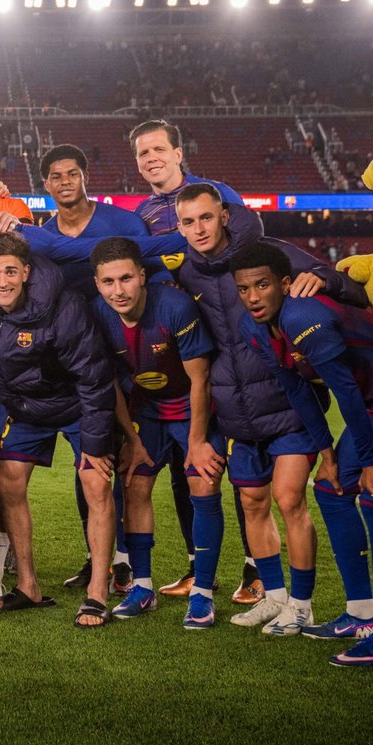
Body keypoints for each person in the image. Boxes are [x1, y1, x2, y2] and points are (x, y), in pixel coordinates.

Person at [229, 242, 373, 665]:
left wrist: (369, 462)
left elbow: (346, 390)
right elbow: (298, 390)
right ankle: (360, 613)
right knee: (331, 491)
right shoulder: (254, 327)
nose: (254, 297)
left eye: (262, 285)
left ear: (284, 283)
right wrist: (327, 454)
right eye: (244, 290)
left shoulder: (303, 315)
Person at [172, 182, 357, 634]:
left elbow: (339, 281)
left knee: (290, 498)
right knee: (252, 502)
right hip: (234, 409)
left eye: (207, 217)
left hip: (287, 399)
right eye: (189, 221)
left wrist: (327, 278)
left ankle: (302, 603)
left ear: (225, 216)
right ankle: (273, 597)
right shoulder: (186, 274)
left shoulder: (267, 251)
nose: (199, 229)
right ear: (179, 227)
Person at [0, 232, 118, 628]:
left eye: (12, 272)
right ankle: (29, 586)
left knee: (96, 482)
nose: (3, 281)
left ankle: (97, 593)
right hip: (25, 408)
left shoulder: (63, 307)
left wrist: (98, 445)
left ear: (27, 272)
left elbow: (94, 378)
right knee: (8, 482)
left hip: (74, 405)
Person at [128, 118, 259, 602]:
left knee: (243, 462)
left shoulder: (217, 192)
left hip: (230, 343)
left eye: (159, 149)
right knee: (191, 465)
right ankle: (196, 565)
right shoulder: (141, 212)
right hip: (181, 348)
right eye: (143, 153)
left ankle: (256, 567)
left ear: (179, 152)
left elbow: (250, 244)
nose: (151, 159)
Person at [88, 238, 223, 626]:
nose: (119, 290)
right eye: (109, 281)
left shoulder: (175, 306)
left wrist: (197, 443)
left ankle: (202, 593)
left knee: (204, 484)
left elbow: (202, 380)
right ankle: (142, 587)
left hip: (191, 407)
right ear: (97, 284)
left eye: (127, 278)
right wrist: (131, 439)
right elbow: (109, 382)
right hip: (147, 410)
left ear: (142, 276)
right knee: (134, 485)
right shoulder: (98, 312)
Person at [39, 143, 149, 591]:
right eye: (56, 176)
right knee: (89, 462)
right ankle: (99, 557)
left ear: (85, 176)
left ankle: (130, 561)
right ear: (46, 185)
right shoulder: (44, 235)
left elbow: (152, 275)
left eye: (72, 173)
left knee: (130, 459)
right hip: (79, 363)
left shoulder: (122, 223)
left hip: (130, 357)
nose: (65, 182)